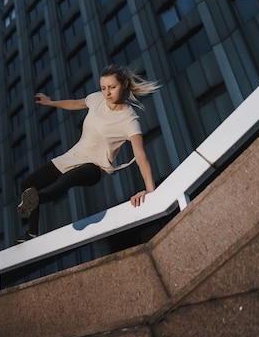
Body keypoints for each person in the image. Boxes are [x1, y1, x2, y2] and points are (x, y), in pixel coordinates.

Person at [16, 64, 161, 243]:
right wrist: (50, 102)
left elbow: (141, 156)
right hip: (73, 156)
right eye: (103, 88)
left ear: (123, 85)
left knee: (66, 180)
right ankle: (31, 234)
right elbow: (76, 103)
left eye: (112, 88)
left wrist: (149, 191)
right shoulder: (97, 99)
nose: (107, 93)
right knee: (28, 183)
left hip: (94, 167)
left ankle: (37, 199)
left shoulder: (129, 120)